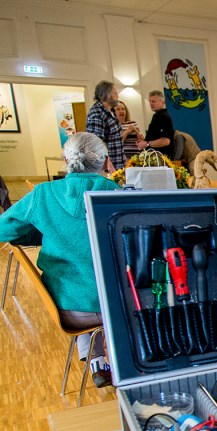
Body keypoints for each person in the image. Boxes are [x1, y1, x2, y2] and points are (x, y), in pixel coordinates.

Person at [0, 132, 121, 387]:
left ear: (66, 160)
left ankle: (95, 358)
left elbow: (4, 230)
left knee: (81, 279)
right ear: (105, 161)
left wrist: (45, 231)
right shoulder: (117, 194)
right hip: (116, 310)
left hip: (68, 310)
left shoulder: (42, 194)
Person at [85, 81, 125, 170]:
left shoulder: (110, 112)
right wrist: (108, 165)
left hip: (118, 165)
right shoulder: (97, 114)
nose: (117, 96)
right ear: (107, 95)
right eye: (115, 93)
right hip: (107, 169)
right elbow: (96, 145)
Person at [137, 90, 174, 158]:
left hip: (161, 158)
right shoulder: (157, 116)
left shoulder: (164, 117)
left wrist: (146, 144)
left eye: (154, 101)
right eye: (150, 101)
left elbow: (166, 141)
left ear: (162, 102)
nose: (151, 104)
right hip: (154, 157)